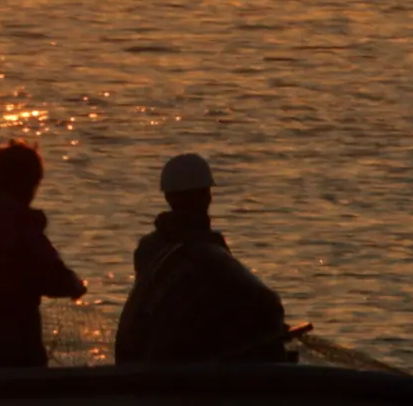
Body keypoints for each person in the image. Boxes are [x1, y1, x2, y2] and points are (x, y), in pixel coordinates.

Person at [113, 152, 291, 365]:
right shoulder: (202, 248)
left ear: (168, 197)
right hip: (187, 349)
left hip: (166, 349)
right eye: (202, 194)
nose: (205, 200)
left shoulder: (150, 247)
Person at [0, 142, 85, 369]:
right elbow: (54, 277)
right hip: (15, 343)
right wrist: (75, 285)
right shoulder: (22, 229)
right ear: (30, 185)